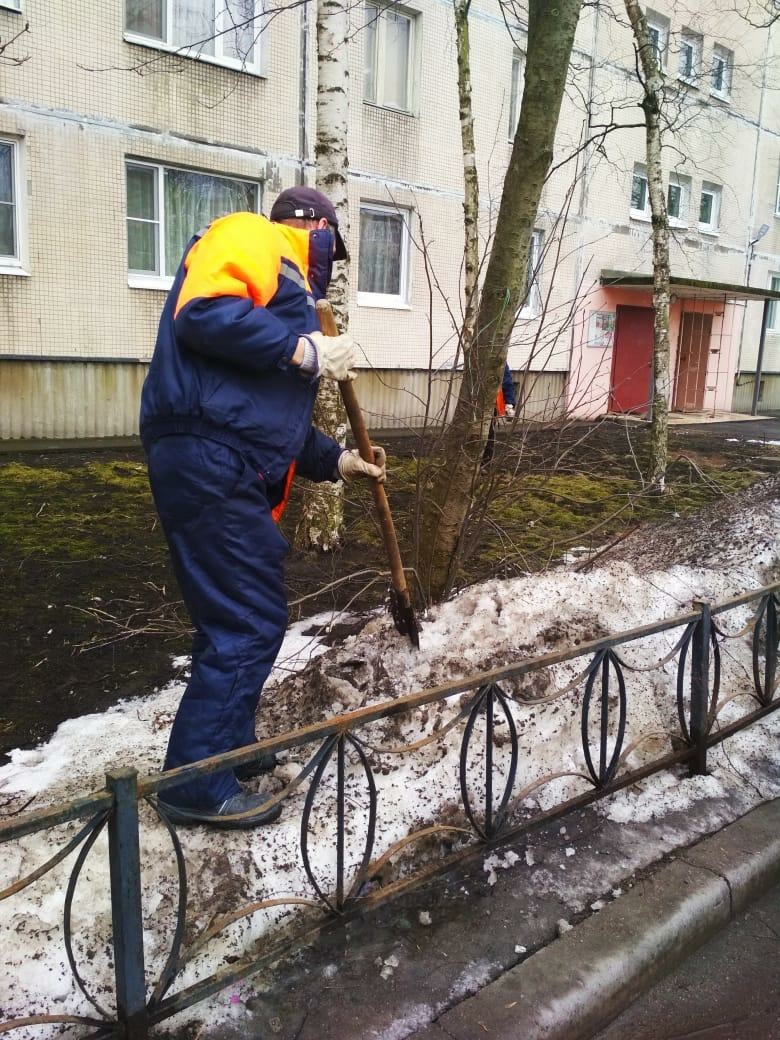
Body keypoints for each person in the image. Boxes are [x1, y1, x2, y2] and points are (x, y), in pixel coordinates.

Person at [139, 186, 386, 828]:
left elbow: (265, 419)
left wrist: (340, 461)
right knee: (249, 620)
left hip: (219, 456)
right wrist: (305, 351)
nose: (331, 260)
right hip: (209, 458)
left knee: (232, 616)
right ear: (315, 227)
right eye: (331, 242)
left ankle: (225, 750)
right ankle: (195, 786)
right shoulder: (254, 235)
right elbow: (202, 313)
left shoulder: (281, 299)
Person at [482, 362, 517, 466]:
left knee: (488, 433)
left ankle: (485, 463)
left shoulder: (499, 361)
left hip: (491, 403)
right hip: (477, 402)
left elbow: (507, 381)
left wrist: (509, 403)